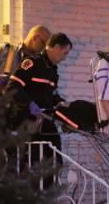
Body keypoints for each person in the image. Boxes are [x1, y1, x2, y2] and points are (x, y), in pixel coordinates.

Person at [5, 32, 72, 187]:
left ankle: (48, 201)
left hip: (46, 122)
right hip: (27, 122)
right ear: (56, 47)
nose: (65, 57)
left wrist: (62, 103)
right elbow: (12, 87)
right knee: (32, 164)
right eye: (64, 53)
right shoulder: (31, 63)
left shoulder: (53, 70)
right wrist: (29, 104)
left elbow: (51, 95)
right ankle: (31, 201)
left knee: (56, 162)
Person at [0, 25, 51, 94]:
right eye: (43, 43)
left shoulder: (38, 63)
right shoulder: (5, 49)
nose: (43, 48)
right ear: (35, 38)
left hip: (20, 105)